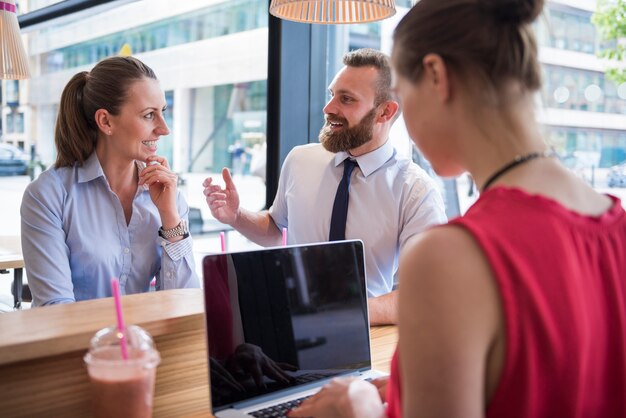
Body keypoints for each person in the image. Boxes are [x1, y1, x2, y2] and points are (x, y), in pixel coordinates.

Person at [288, 0, 626, 417]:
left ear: (436, 76)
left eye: (405, 97)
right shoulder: (616, 227)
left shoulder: (452, 256)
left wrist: (357, 411)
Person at [204, 48, 446, 325]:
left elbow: (425, 294)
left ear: (385, 112)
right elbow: (275, 229)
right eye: (332, 94)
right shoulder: (300, 160)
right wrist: (236, 216)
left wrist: (341, 314)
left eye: (346, 99)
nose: (329, 108)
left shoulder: (415, 190)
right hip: (288, 324)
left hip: (367, 333)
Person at [21, 56, 199, 307]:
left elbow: (185, 302)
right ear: (105, 121)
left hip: (144, 343)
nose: (164, 128)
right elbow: (56, 310)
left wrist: (170, 217)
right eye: (149, 115)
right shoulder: (48, 195)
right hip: (80, 345)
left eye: (163, 112)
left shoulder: (168, 196)